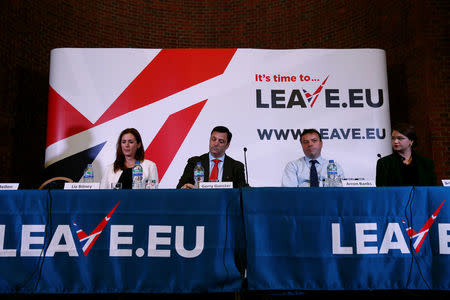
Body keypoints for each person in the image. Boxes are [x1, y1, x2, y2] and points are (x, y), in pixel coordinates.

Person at [177, 126, 248, 189]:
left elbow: (242, 192)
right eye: (213, 139)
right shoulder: (194, 162)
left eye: (221, 141)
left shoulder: (236, 167)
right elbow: (180, 187)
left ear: (227, 145)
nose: (216, 144)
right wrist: (184, 188)